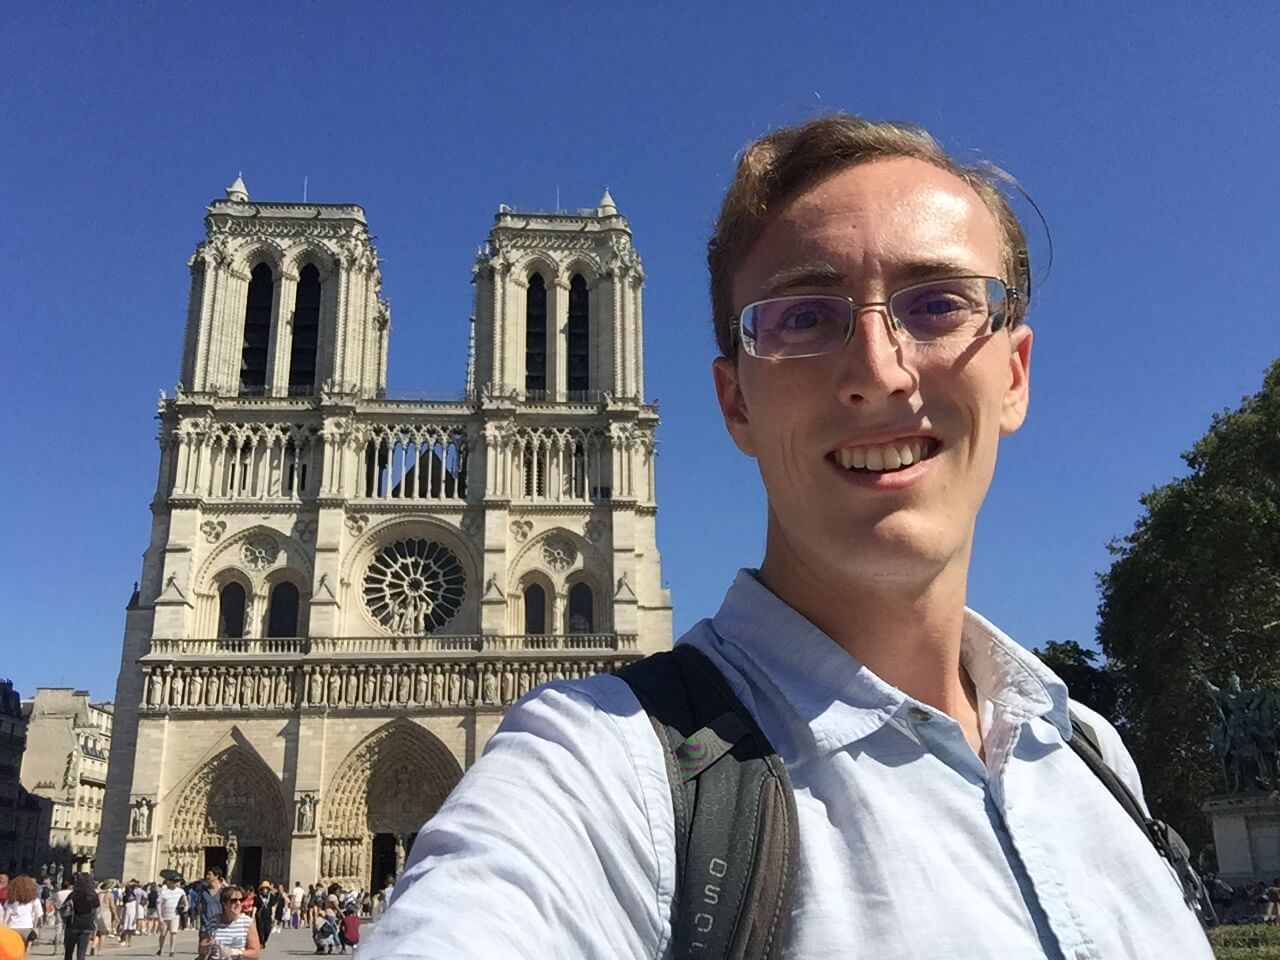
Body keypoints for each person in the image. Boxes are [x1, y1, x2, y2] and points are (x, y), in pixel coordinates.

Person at [359, 112, 1216, 959]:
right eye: (804, 316)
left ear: (1015, 374)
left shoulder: (1091, 756)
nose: (879, 370)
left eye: (937, 304)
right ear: (735, 402)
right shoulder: (604, 767)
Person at [196, 886, 260, 960]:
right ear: (224, 903)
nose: (238, 903)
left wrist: (235, 952)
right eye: (234, 900)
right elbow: (201, 949)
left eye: (241, 900)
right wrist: (207, 945)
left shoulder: (247, 923)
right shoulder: (214, 921)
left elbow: (256, 953)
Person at [62, 875, 98, 960]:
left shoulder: (74, 895)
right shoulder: (92, 895)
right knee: (81, 953)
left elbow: (65, 907)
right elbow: (96, 909)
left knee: (68, 952)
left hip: (73, 925)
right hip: (87, 925)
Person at [2, 875, 42, 952]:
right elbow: (37, 915)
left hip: (13, 928)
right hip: (27, 927)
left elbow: (6, 918)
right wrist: (34, 927)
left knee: (13, 950)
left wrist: (4, 929)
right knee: (26, 949)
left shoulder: (11, 901)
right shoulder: (34, 900)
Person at [155, 875, 187, 957]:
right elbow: (158, 904)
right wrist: (160, 916)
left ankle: (171, 950)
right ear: (170, 882)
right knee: (163, 934)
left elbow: (185, 901)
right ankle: (160, 949)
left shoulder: (181, 891)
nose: (175, 884)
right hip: (164, 916)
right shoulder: (163, 891)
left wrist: (186, 907)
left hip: (175, 915)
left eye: (176, 882)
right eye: (174, 882)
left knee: (173, 932)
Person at [192, 869, 225, 936]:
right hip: (205, 926)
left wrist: (226, 885)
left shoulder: (223, 891)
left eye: (209, 874)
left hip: (219, 925)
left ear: (216, 876)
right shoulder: (203, 891)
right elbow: (198, 906)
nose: (207, 876)